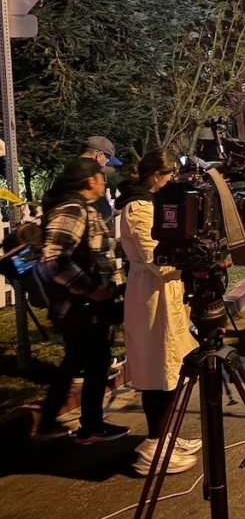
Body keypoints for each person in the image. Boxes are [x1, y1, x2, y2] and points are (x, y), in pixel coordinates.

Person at [114, 150, 202, 474]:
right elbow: (155, 255)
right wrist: (185, 257)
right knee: (156, 369)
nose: (170, 182)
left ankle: (166, 435)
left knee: (171, 366)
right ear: (156, 175)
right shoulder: (138, 206)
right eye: (168, 176)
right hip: (151, 293)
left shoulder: (145, 202)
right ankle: (155, 443)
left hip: (162, 290)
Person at [36, 158, 128, 444]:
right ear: (90, 181)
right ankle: (91, 427)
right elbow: (54, 259)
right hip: (80, 307)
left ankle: (51, 422)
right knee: (97, 361)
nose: (104, 182)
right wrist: (90, 290)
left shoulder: (81, 209)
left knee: (77, 359)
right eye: (102, 178)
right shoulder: (72, 210)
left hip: (82, 306)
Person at [80, 135, 122, 232]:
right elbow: (104, 214)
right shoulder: (91, 178)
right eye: (107, 161)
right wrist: (112, 212)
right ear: (99, 155)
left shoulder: (68, 173)